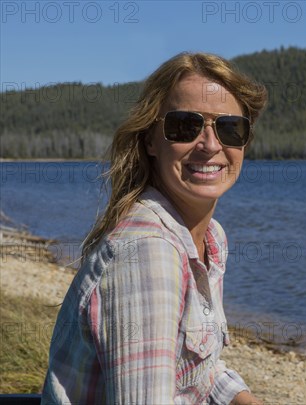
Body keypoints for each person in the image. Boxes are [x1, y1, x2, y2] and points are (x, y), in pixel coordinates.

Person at [42, 52, 267, 404]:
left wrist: (243, 399)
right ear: (150, 139)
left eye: (229, 128)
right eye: (184, 126)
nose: (210, 145)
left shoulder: (211, 238)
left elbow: (195, 367)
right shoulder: (148, 253)